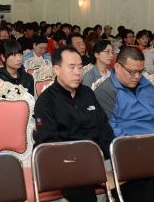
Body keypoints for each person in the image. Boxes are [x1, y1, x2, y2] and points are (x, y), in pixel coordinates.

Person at [95, 46, 154, 202]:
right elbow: (111, 129)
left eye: (141, 71)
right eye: (132, 72)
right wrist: (141, 148)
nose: (137, 76)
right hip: (133, 150)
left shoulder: (146, 85)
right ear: (117, 67)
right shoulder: (105, 92)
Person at [35, 46, 115, 202]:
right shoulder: (45, 101)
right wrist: (83, 161)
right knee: (83, 192)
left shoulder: (88, 93)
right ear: (56, 69)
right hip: (67, 164)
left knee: (136, 180)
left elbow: (104, 129)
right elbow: (50, 143)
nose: (78, 72)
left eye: (80, 67)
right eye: (71, 67)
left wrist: (114, 156)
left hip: (98, 159)